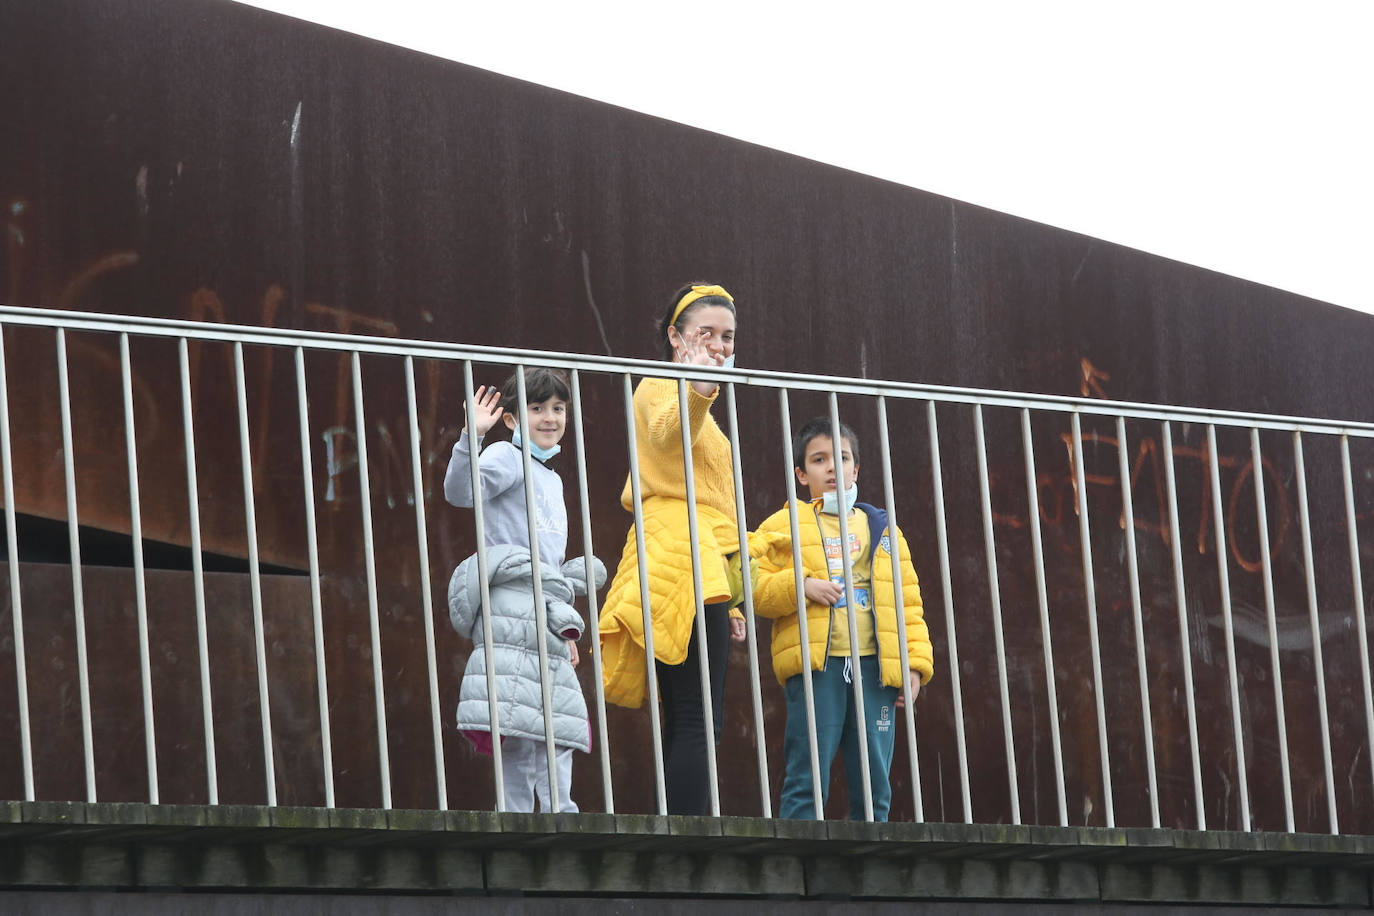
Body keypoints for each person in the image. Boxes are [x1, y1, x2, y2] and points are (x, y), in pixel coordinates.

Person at [598, 283, 748, 816]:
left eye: (727, 337)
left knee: (693, 710)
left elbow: (720, 511)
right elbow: (666, 436)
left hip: (693, 557)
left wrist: (731, 596)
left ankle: (684, 826)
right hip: (678, 553)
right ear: (675, 337)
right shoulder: (662, 385)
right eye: (704, 333)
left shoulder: (690, 390)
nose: (718, 345)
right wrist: (700, 386)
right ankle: (691, 835)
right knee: (696, 711)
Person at [749, 417, 934, 821]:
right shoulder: (786, 524)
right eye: (819, 459)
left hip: (876, 669)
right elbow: (748, 580)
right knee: (807, 775)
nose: (832, 467)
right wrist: (801, 586)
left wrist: (914, 666)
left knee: (874, 782)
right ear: (801, 474)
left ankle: (867, 876)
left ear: (857, 469)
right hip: (820, 668)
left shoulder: (882, 528)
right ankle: (800, 873)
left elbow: (909, 604)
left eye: (842, 458)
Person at [443, 367, 604, 813]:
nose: (550, 417)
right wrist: (470, 438)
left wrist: (564, 628)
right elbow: (460, 492)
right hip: (511, 608)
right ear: (512, 419)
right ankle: (521, 816)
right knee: (519, 723)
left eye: (557, 408)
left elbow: (550, 564)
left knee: (554, 719)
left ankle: (559, 812)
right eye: (536, 408)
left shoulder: (550, 477)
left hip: (544, 612)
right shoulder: (505, 457)